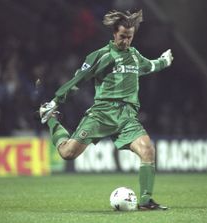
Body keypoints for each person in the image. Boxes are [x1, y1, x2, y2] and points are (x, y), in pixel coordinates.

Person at [39, 9, 173, 210]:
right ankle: (51, 119)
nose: (125, 42)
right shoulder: (101, 56)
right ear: (114, 34)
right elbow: (78, 80)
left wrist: (164, 61)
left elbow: (150, 67)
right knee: (67, 153)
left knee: (147, 150)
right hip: (102, 113)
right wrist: (56, 100)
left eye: (129, 37)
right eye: (122, 37)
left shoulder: (134, 56)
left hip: (127, 117)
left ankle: (146, 201)